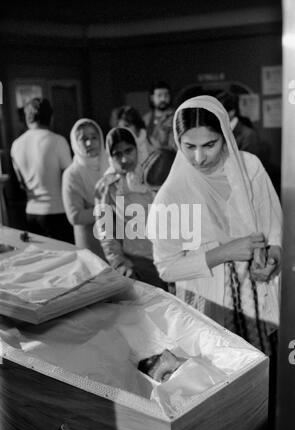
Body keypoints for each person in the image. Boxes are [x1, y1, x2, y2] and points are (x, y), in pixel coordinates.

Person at [147, 95, 282, 356]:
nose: (199, 158)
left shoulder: (249, 169)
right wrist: (225, 252)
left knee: (262, 373)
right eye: (189, 146)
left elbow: (275, 228)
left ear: (225, 135)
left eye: (210, 144)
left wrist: (273, 258)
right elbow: (167, 267)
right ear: (178, 142)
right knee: (221, 375)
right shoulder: (173, 194)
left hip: (255, 298)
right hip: (207, 302)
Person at [94, 127, 167, 289]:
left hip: (167, 256)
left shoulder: (152, 173)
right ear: (109, 157)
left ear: (137, 149)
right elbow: (106, 232)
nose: (125, 159)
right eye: (117, 154)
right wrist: (120, 264)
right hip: (137, 263)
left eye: (129, 151)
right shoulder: (107, 187)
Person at [11, 97, 74, 242]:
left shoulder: (16, 145)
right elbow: (69, 180)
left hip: (31, 212)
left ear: (27, 119)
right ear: (51, 118)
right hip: (58, 211)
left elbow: (21, 184)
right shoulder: (58, 141)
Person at [62, 118, 107, 257]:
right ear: (75, 142)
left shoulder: (110, 164)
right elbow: (75, 216)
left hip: (116, 238)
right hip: (89, 241)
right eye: (83, 139)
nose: (89, 143)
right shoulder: (72, 174)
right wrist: (108, 209)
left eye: (94, 137)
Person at [217, 91, 261, 157]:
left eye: (219, 112)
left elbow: (248, 165)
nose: (216, 115)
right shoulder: (216, 131)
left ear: (231, 112)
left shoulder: (249, 135)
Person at [143, 81, 176, 152]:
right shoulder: (145, 119)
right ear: (152, 98)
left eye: (166, 95)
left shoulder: (176, 117)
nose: (163, 99)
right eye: (159, 95)